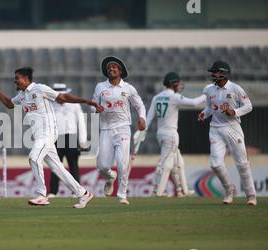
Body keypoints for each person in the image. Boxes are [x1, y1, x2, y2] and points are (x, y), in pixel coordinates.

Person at [0, 67, 103, 208]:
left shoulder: (40, 89)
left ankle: (42, 195)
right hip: (39, 136)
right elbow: (9, 104)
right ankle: (83, 194)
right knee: (58, 168)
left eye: (17, 78)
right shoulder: (22, 95)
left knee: (34, 158)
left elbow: (63, 97)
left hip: (48, 133)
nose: (15, 81)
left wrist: (87, 101)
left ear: (25, 78)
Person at [198, 60, 257, 206]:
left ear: (223, 73)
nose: (212, 74)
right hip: (216, 129)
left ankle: (251, 196)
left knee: (242, 163)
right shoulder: (209, 89)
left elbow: (249, 106)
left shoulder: (235, 89)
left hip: (233, 128)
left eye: (215, 72)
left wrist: (235, 111)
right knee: (215, 164)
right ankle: (230, 190)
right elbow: (210, 108)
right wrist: (204, 114)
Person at [93, 56, 146, 205]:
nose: (111, 69)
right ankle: (110, 177)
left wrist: (142, 118)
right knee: (103, 166)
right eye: (109, 68)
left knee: (123, 163)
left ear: (120, 71)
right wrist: (95, 109)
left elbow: (140, 105)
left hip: (123, 128)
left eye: (114, 67)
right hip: (105, 129)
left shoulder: (128, 88)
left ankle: (122, 195)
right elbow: (93, 104)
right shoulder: (100, 87)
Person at [146, 72, 206, 197]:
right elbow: (194, 102)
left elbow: (148, 118)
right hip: (171, 134)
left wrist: (142, 131)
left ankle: (181, 190)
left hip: (160, 133)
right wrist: (206, 95)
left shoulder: (156, 97)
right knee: (165, 163)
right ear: (173, 84)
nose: (179, 86)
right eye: (178, 83)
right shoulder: (174, 97)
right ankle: (158, 191)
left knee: (178, 163)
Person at [48, 83, 89, 197]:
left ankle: (76, 191)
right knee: (55, 165)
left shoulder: (74, 105)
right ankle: (52, 192)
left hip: (70, 136)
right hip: (55, 137)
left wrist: (82, 140)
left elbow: (81, 122)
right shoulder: (50, 104)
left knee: (73, 164)